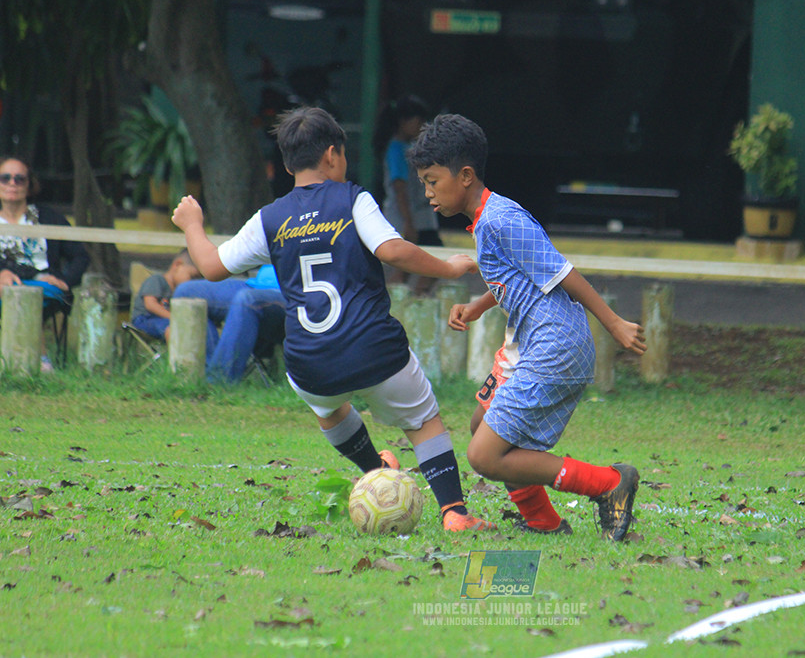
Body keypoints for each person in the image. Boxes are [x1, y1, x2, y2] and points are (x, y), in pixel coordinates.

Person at [171, 106, 495, 532]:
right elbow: (392, 250)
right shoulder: (352, 199)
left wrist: (192, 224)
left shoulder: (270, 219)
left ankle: (375, 468)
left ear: (288, 164)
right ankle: (454, 512)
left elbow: (212, 266)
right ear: (332, 155)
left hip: (311, 362)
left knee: (328, 408)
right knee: (422, 421)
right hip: (374, 351)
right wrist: (449, 268)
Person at [408, 113, 647, 540]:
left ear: (465, 176)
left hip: (554, 347)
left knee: (484, 456)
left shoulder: (502, 219)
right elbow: (518, 277)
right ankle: (542, 520)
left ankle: (608, 483)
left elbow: (561, 271)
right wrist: (479, 305)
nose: (427, 193)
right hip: (530, 343)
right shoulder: (486, 219)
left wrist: (613, 323)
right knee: (481, 424)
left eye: (432, 181)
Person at [0, 155, 90, 371]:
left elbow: (81, 255)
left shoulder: (49, 217)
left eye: (19, 179)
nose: (12, 183)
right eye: (5, 178)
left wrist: (65, 281)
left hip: (45, 286)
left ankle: (34, 360)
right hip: (3, 285)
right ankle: (33, 361)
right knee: (8, 290)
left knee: (21, 294)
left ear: (29, 184)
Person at [374, 94, 442, 295]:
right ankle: (405, 299)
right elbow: (399, 188)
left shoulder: (410, 147)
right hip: (407, 218)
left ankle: (411, 298)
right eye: (418, 122)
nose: (421, 127)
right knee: (419, 265)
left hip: (419, 218)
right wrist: (408, 223)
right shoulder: (396, 150)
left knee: (420, 265)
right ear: (404, 121)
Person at [173, 264, 286, 384]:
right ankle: (211, 370)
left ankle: (219, 381)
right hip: (259, 283)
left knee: (247, 299)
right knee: (186, 291)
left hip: (292, 292)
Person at [129, 250, 200, 342]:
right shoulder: (157, 280)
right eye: (192, 277)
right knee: (172, 328)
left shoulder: (179, 291)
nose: (193, 282)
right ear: (178, 264)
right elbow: (150, 305)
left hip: (164, 321)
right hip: (145, 319)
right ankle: (177, 351)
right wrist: (174, 318)